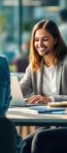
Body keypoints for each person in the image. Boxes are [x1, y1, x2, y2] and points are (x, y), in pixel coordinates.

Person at [19, 19, 67, 153]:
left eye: (45, 39)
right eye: (36, 39)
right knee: (23, 145)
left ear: (55, 40)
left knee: (40, 139)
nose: (39, 44)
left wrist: (49, 99)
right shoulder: (35, 65)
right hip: (47, 125)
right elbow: (21, 90)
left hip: (64, 125)